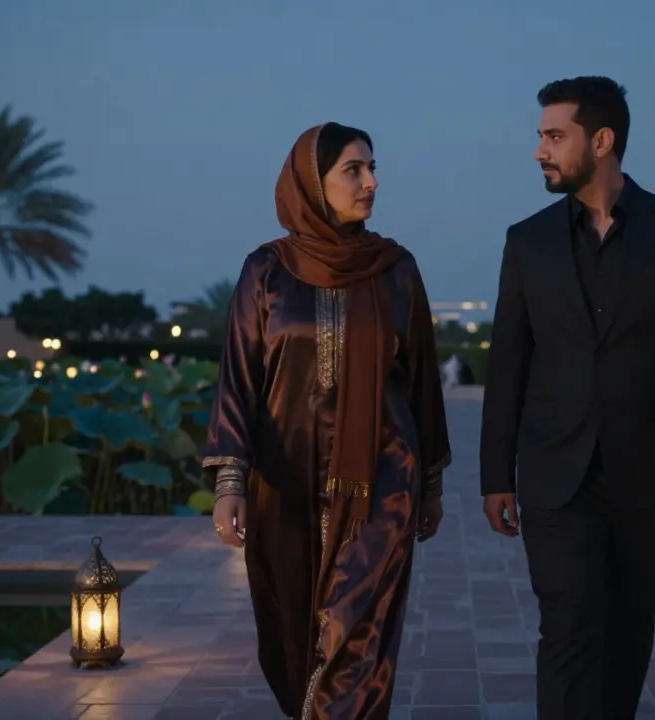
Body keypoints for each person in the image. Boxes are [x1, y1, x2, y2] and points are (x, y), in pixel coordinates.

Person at [479, 76, 655, 719]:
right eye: (540, 136)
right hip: (554, 472)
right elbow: (509, 363)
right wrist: (495, 475)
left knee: (628, 629)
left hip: (650, 470)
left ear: (601, 141)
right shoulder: (527, 240)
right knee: (568, 627)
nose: (539, 151)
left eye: (553, 136)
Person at [204, 122, 452, 720]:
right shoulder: (267, 271)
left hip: (380, 485)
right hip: (284, 489)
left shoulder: (396, 269)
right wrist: (230, 482)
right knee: (293, 641)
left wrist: (431, 486)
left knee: (356, 643)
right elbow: (240, 376)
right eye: (353, 170)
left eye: (372, 169)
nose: (371, 182)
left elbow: (421, 382)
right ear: (313, 181)